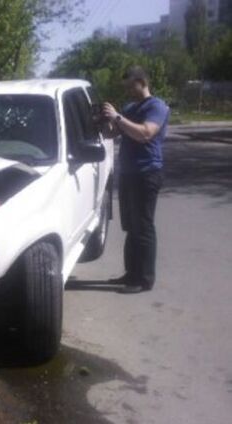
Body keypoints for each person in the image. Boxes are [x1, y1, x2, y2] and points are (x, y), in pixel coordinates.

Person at [102, 66, 170, 294]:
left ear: (141, 82)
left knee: (143, 226)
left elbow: (145, 133)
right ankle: (131, 274)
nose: (128, 90)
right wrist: (106, 121)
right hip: (129, 174)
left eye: (130, 85)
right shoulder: (131, 107)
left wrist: (118, 117)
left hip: (147, 172)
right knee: (131, 227)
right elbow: (114, 133)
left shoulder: (156, 106)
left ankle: (144, 279)